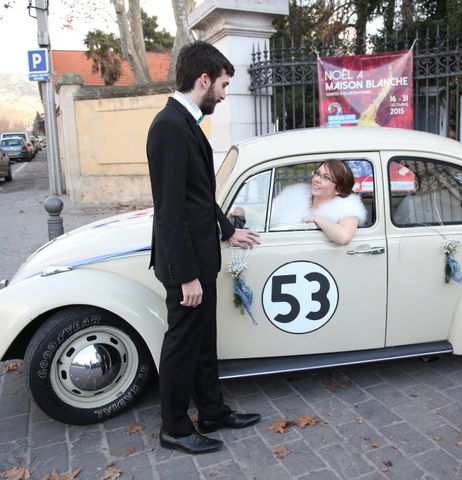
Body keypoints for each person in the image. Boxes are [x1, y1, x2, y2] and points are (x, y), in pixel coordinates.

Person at [146, 41, 261, 455]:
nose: (226, 94)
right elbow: (170, 209)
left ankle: (212, 411)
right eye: (225, 85)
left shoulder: (187, 122)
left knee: (204, 341)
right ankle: (175, 426)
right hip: (187, 267)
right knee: (182, 345)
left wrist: (227, 229)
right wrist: (186, 275)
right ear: (204, 79)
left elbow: (199, 196)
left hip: (203, 259)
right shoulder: (169, 126)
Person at [271, 160, 366, 245]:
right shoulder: (296, 194)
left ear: (338, 189)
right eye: (317, 173)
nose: (316, 179)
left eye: (326, 178)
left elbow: (344, 237)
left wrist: (316, 218)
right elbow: (267, 218)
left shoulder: (347, 206)